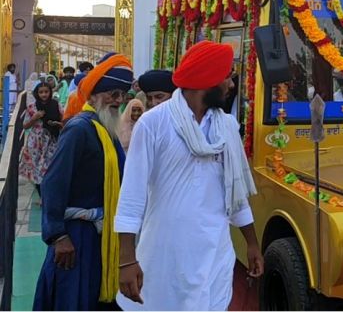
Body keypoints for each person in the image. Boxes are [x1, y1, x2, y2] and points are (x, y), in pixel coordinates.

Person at [115, 41, 263, 310]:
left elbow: (236, 194)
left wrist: (252, 243)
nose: (231, 85)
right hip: (167, 252)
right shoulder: (153, 124)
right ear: (207, 80)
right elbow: (132, 196)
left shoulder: (227, 126)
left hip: (215, 250)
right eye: (227, 77)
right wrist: (127, 259)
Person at [33, 52, 133, 311]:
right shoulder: (79, 129)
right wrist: (58, 236)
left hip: (101, 236)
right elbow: (53, 183)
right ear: (93, 96)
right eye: (112, 93)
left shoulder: (106, 132)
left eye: (122, 94)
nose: (118, 100)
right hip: (75, 238)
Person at [20, 82, 62, 199]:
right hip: (36, 143)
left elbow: (63, 121)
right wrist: (34, 117)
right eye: (41, 92)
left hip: (51, 141)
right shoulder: (32, 107)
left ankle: (49, 195)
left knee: (49, 167)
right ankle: (42, 197)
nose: (44, 95)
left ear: (50, 92)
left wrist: (58, 124)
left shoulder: (56, 105)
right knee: (36, 169)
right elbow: (25, 126)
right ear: (37, 94)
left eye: (46, 92)